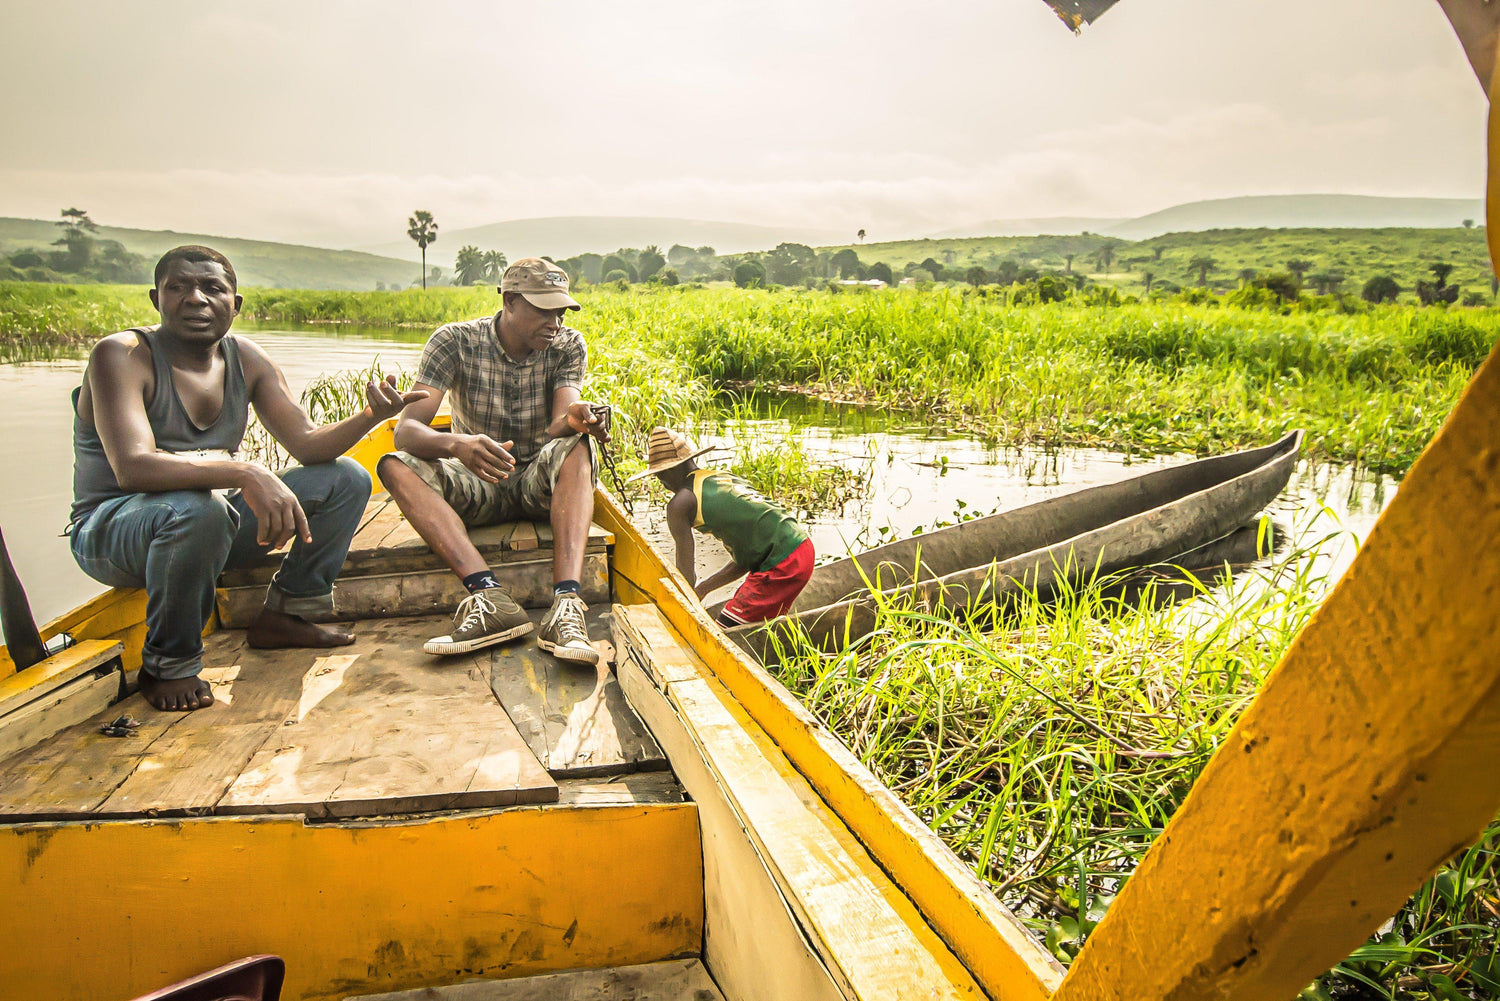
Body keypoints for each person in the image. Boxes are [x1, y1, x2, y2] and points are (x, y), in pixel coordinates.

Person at [69, 245, 426, 713]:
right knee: (199, 508)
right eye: (179, 287)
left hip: (206, 529)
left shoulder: (246, 359)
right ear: (156, 299)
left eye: (212, 288)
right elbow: (133, 465)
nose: (196, 298)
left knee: (346, 478)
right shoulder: (122, 354)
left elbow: (309, 445)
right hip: (114, 532)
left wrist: (368, 416)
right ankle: (167, 664)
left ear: (235, 304)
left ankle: (288, 613)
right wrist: (246, 470)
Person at [377, 258, 611, 663]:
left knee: (577, 445)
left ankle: (566, 607)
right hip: (477, 480)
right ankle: (489, 596)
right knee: (393, 463)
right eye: (543, 309)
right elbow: (407, 430)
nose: (554, 322)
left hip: (538, 483)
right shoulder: (454, 341)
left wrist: (577, 419)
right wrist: (458, 447)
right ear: (509, 301)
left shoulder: (568, 345)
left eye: (560, 311)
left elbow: (561, 421)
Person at [630, 426, 814, 627]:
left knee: (724, 630)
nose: (663, 484)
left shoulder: (680, 504)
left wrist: (674, 609)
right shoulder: (721, 478)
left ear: (670, 471)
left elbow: (685, 576)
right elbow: (748, 558)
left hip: (783, 563)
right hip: (800, 547)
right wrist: (704, 589)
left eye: (660, 476)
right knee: (744, 620)